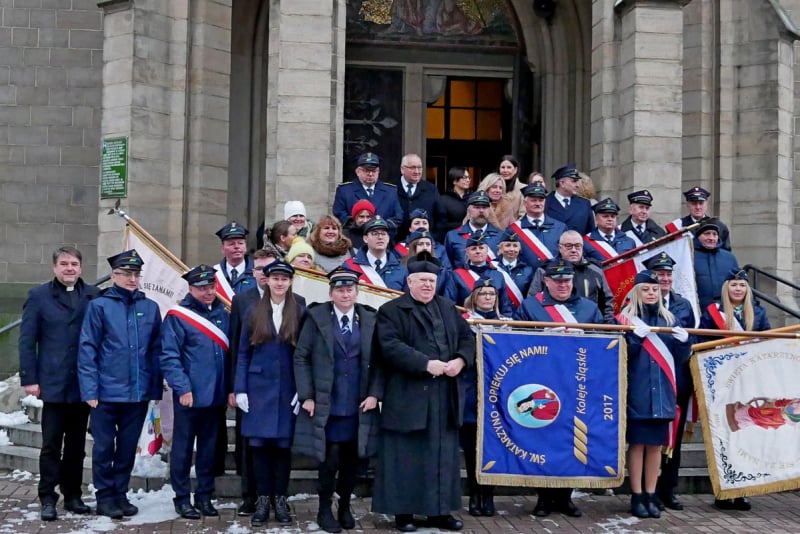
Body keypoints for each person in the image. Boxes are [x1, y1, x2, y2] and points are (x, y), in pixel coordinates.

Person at [371, 252, 475, 532]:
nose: (428, 285)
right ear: (409, 282)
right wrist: (426, 364)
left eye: (431, 280)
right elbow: (390, 347)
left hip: (444, 396)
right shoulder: (391, 310)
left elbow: (467, 338)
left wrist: (460, 360)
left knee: (441, 457)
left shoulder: (448, 307)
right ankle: (403, 513)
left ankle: (439, 512)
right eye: (422, 280)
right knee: (406, 458)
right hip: (408, 395)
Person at [513, 260, 603, 518]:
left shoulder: (588, 308)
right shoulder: (530, 306)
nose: (563, 285)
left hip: (577, 383)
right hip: (542, 382)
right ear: (546, 281)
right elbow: (515, 341)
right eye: (557, 280)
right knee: (542, 439)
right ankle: (543, 497)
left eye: (567, 280)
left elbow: (603, 342)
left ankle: (565, 497)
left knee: (571, 438)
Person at [293, 267, 380, 533]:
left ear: (357, 292)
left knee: (351, 462)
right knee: (329, 461)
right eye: (340, 290)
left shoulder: (369, 319)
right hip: (327, 404)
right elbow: (301, 357)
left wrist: (375, 394)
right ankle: (324, 509)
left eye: (349, 290)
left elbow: (379, 361)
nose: (345, 294)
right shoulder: (316, 317)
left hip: (357, 404)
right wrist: (307, 395)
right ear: (331, 293)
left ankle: (344, 507)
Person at [78, 249, 162, 519]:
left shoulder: (150, 307)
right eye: (126, 274)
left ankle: (120, 494)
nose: (132, 279)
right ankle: (104, 497)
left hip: (137, 393)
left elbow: (155, 351)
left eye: (136, 274)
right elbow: (87, 349)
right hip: (105, 393)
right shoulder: (99, 306)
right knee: (104, 447)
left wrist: (154, 388)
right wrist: (89, 389)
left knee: (127, 448)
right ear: (114, 276)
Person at [18, 246, 99, 521]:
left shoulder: (93, 295)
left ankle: (73, 495)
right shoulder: (39, 296)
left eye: (74, 263)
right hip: (53, 382)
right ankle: (47, 497)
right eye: (64, 264)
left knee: (77, 445)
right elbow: (27, 340)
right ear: (54, 267)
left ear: (81, 267)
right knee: (51, 444)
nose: (69, 268)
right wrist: (29, 378)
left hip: (82, 383)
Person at [234, 260, 307, 526]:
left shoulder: (299, 311)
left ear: (290, 282)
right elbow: (243, 353)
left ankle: (281, 499)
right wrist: (240, 388)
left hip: (287, 388)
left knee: (282, 447)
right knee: (260, 447)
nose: (279, 283)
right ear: (267, 281)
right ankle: (263, 500)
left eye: (284, 279)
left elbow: (304, 354)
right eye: (275, 278)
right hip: (258, 389)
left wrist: (302, 389)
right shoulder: (253, 311)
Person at [617, 270, 691, 519]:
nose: (651, 293)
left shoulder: (669, 319)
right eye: (646, 289)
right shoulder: (625, 320)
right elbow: (620, 357)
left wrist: (684, 343)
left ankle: (651, 494)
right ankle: (636, 495)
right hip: (637, 391)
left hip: (663, 392)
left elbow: (680, 359)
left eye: (655, 289)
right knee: (638, 445)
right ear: (636, 292)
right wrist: (634, 340)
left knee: (656, 447)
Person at [159, 264, 230, 519]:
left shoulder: (224, 314)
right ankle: (181, 498)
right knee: (183, 450)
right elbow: (169, 356)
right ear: (190, 289)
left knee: (209, 451)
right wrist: (183, 388)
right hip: (189, 396)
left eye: (211, 287)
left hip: (216, 395)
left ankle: (204, 496)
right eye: (202, 288)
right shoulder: (178, 316)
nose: (208, 292)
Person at [228, 248, 280, 516]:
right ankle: (250, 496)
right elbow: (237, 346)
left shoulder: (294, 300)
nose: (264, 274)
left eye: (269, 268)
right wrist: (235, 387)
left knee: (277, 443)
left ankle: (275, 495)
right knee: (248, 443)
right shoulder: (242, 300)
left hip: (279, 385)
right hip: (250, 384)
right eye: (259, 269)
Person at [645, 253, 695, 513]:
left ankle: (668, 488)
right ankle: (648, 490)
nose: (664, 279)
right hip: (651, 379)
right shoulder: (642, 304)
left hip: (678, 378)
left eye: (667, 274)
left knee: (675, 437)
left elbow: (691, 339)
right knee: (652, 437)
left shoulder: (683, 304)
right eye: (659, 274)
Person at [460, 277, 505, 517]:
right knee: (471, 449)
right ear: (474, 297)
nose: (487, 298)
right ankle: (474, 495)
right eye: (483, 293)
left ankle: (489, 496)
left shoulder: (506, 324)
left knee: (492, 448)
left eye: (491, 294)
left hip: (497, 395)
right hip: (470, 393)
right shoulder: (464, 322)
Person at [527, 231, 616, 323]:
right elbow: (533, 301)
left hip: (588, 325)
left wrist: (607, 326)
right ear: (560, 248)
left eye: (577, 246)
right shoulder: (545, 270)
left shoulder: (595, 271)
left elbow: (607, 303)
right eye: (568, 246)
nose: (573, 250)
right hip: (552, 324)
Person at [333, 152, 404, 234]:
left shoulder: (391, 191)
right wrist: (359, 225)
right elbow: (339, 214)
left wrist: (380, 226)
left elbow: (398, 217)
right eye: (366, 171)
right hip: (355, 236)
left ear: (378, 172)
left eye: (374, 171)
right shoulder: (345, 190)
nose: (370, 174)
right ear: (357, 172)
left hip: (382, 236)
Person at [445, 233, 513, 316]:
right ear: (467, 252)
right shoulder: (456, 275)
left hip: (494, 322)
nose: (478, 251)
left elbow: (505, 307)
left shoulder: (498, 275)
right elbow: (449, 304)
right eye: (473, 249)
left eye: (481, 248)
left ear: (487, 251)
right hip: (466, 321)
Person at [507, 183, 567, 271]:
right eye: (533, 200)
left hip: (554, 276)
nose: (538, 203)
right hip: (526, 277)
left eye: (541, 200)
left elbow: (566, 255)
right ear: (525, 203)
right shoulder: (513, 230)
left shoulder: (560, 227)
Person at [344, 216, 408, 291]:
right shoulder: (350, 267)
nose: (380, 237)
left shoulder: (401, 270)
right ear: (365, 238)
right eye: (375, 233)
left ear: (388, 238)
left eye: (383, 234)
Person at [444, 191, 503, 268]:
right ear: (468, 211)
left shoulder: (501, 236)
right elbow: (448, 267)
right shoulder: (453, 236)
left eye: (484, 207)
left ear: (489, 211)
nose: (481, 211)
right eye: (477, 207)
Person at [666, 187, 732, 250]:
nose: (698, 207)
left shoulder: (719, 226)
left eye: (701, 203)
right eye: (694, 204)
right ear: (688, 205)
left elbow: (726, 251)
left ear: (706, 205)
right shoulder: (677, 226)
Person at [395, 153, 443, 240]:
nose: (417, 172)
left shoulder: (431, 189)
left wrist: (433, 239)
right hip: (397, 243)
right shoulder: (391, 189)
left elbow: (441, 217)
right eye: (413, 168)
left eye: (419, 167)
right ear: (402, 169)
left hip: (424, 242)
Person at [693, 220, 739, 308]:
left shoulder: (729, 257)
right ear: (698, 236)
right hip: (698, 308)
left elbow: (738, 282)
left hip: (725, 308)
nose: (711, 238)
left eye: (715, 234)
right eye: (707, 234)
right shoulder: (689, 256)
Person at [544, 164, 595, 235]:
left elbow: (590, 234)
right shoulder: (545, 202)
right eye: (574, 181)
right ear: (562, 183)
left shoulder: (584, 204)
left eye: (577, 181)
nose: (577, 185)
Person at [582, 198, 636, 263]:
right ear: (596, 219)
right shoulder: (585, 242)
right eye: (605, 216)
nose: (610, 219)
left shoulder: (629, 241)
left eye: (613, 216)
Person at [215, 221, 258, 297]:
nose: (237, 247)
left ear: (245, 247)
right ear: (222, 249)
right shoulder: (215, 273)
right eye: (231, 244)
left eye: (240, 243)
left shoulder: (258, 271)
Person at [495, 231, 534, 306]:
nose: (512, 249)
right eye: (508, 245)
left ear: (519, 249)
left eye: (515, 246)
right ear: (500, 249)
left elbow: (530, 295)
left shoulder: (528, 270)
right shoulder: (493, 267)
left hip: (520, 310)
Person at [439, 167, 472, 239]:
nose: (468, 180)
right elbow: (441, 225)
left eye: (469, 178)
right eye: (464, 177)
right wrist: (462, 224)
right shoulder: (443, 200)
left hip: (472, 238)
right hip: (452, 238)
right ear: (454, 181)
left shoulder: (472, 198)